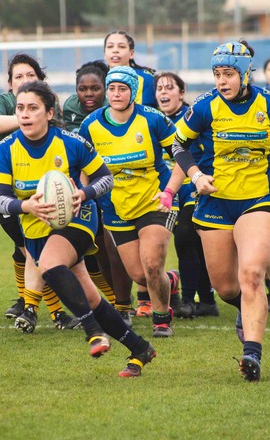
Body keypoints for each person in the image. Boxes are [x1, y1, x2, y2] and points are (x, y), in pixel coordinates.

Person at [171, 40, 270, 382]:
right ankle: (245, 306)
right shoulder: (206, 106)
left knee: (253, 273)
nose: (222, 81)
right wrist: (196, 176)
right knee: (226, 288)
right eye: (217, 74)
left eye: (229, 74)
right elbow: (177, 143)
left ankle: (252, 355)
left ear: (245, 73)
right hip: (215, 203)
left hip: (260, 200)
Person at [0, 80, 156, 377]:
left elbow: (106, 179)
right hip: (36, 228)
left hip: (78, 218)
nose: (25, 114)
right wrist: (24, 206)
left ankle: (92, 332)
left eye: (33, 108)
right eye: (20, 108)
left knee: (51, 266)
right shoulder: (6, 149)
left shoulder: (71, 142)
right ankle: (140, 348)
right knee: (89, 297)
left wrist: (84, 194)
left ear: (49, 112)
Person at [78, 66, 178, 337]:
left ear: (133, 92)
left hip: (154, 199)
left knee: (152, 263)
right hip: (115, 206)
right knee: (140, 275)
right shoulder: (91, 125)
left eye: (123, 88)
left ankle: (161, 320)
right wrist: (84, 198)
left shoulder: (153, 119)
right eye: (112, 88)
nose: (116, 93)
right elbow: (84, 168)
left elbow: (181, 155)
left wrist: (169, 191)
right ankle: (171, 281)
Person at [0, 53, 77, 328]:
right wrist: (27, 116)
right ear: (10, 84)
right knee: (31, 251)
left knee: (34, 251)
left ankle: (31, 304)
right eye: (18, 77)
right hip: (10, 193)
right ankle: (46, 309)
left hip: (47, 191)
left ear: (40, 80)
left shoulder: (50, 104)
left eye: (30, 76)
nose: (24, 80)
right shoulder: (3, 102)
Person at [63, 61, 134, 323]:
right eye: (83, 89)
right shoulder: (74, 112)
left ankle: (134, 300)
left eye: (96, 88)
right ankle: (118, 303)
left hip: (121, 189)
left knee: (120, 252)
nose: (89, 94)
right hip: (89, 191)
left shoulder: (118, 114)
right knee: (101, 252)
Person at [154, 71, 218, 318]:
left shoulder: (193, 117)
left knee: (185, 236)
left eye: (169, 88)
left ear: (181, 93)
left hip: (193, 187)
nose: (163, 92)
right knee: (188, 242)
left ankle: (189, 299)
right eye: (159, 88)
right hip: (166, 190)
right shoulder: (154, 119)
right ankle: (206, 299)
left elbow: (200, 153)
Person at [103, 31, 157, 107]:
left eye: (121, 46)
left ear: (131, 54)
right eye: (110, 46)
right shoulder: (97, 79)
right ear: (104, 54)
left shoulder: (147, 79)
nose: (115, 50)